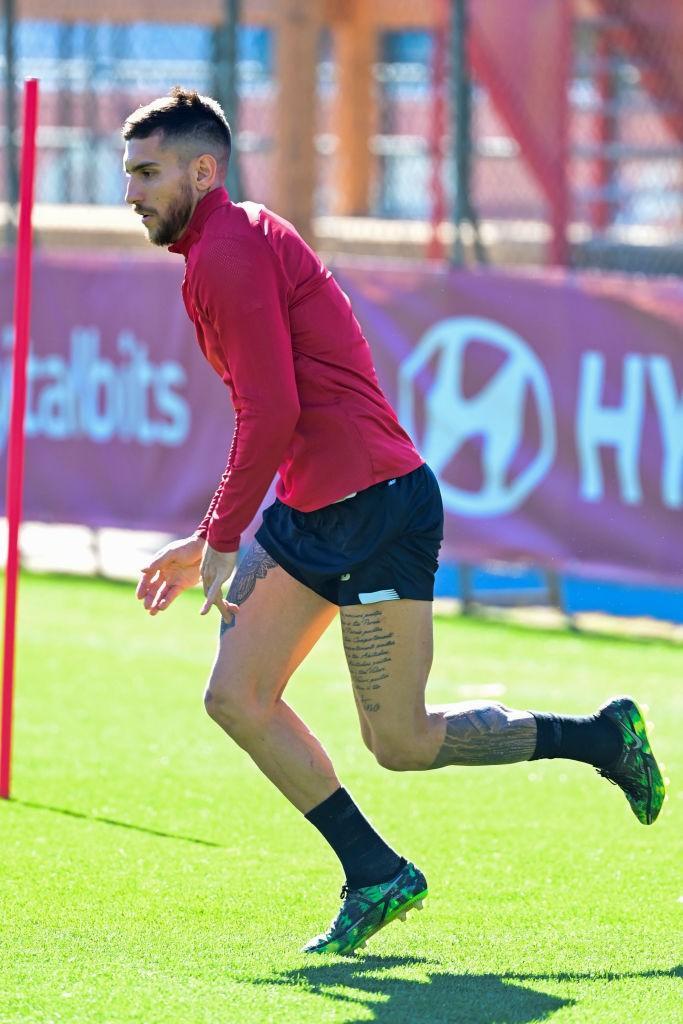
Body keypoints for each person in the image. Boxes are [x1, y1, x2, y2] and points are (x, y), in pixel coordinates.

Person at [123, 88, 665, 955]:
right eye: (129, 175)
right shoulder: (221, 243)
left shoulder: (227, 249)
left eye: (147, 173)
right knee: (238, 697)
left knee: (401, 741)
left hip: (372, 505)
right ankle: (376, 873)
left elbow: (270, 408)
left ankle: (601, 737)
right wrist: (208, 539)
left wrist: (224, 538)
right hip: (321, 507)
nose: (132, 194)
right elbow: (276, 415)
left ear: (202, 169)